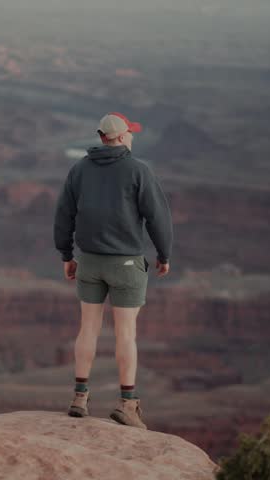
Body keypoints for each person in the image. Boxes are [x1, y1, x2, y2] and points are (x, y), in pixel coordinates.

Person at [53, 112, 173, 429]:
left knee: (88, 328)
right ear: (120, 137)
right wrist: (164, 253)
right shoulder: (138, 170)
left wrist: (67, 254)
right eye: (130, 133)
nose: (132, 137)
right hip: (126, 263)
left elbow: (64, 214)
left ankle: (80, 397)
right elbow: (157, 216)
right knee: (126, 334)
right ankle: (127, 405)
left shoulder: (79, 169)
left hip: (89, 261)